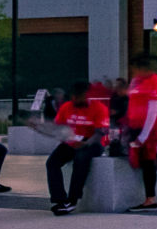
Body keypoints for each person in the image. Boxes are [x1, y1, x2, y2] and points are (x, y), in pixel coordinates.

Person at [45, 81, 109, 215]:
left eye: (79, 96)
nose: (75, 99)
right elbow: (59, 127)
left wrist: (85, 143)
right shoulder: (66, 107)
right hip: (72, 141)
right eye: (74, 96)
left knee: (80, 159)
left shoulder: (99, 108)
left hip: (92, 142)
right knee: (52, 162)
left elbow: (100, 133)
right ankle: (59, 200)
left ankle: (72, 200)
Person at [123, 54, 157, 211]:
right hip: (134, 126)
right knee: (135, 159)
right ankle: (156, 158)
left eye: (135, 69)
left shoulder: (155, 81)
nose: (134, 73)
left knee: (147, 160)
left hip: (149, 129)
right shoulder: (136, 81)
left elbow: (153, 110)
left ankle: (150, 199)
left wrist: (143, 136)